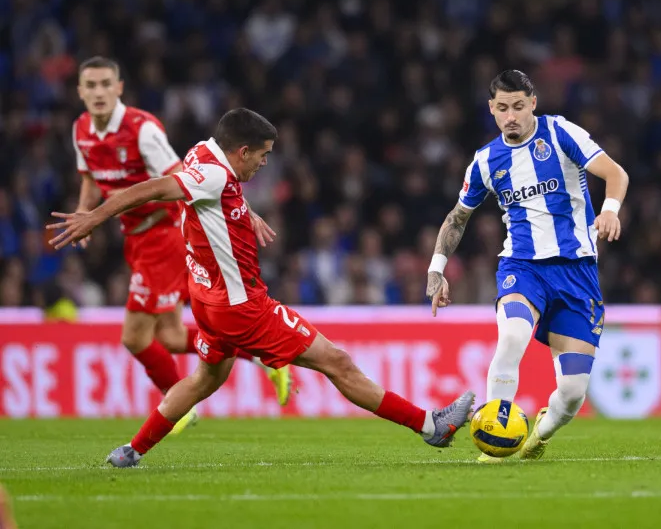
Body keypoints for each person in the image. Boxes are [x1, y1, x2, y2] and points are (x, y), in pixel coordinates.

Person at [48, 108, 474, 467]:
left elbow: (208, 187)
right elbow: (154, 189)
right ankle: (430, 426)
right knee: (338, 363)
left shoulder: (203, 152)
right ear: (243, 151)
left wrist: (243, 210)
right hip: (243, 307)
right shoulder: (215, 176)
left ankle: (132, 450)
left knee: (203, 380)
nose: (265, 163)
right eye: (263, 155)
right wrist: (94, 217)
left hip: (206, 301)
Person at [70, 57, 290, 433]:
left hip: (164, 236)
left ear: (119, 88)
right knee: (170, 337)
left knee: (134, 337)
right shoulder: (81, 130)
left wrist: (244, 208)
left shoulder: (142, 130)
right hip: (136, 238)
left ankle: (177, 407)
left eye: (106, 84)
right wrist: (82, 211)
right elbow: (91, 178)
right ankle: (264, 358)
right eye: (91, 86)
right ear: (80, 91)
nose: (99, 92)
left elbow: (184, 178)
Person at [425, 70, 628, 462]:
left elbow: (615, 173)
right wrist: (437, 269)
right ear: (491, 109)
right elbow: (457, 218)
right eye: (502, 108)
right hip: (523, 268)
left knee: (572, 394)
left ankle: (540, 433)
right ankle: (494, 439)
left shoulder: (561, 133)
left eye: (518, 106)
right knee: (513, 337)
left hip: (577, 273)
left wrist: (610, 210)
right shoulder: (486, 161)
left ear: (532, 103)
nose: (511, 116)